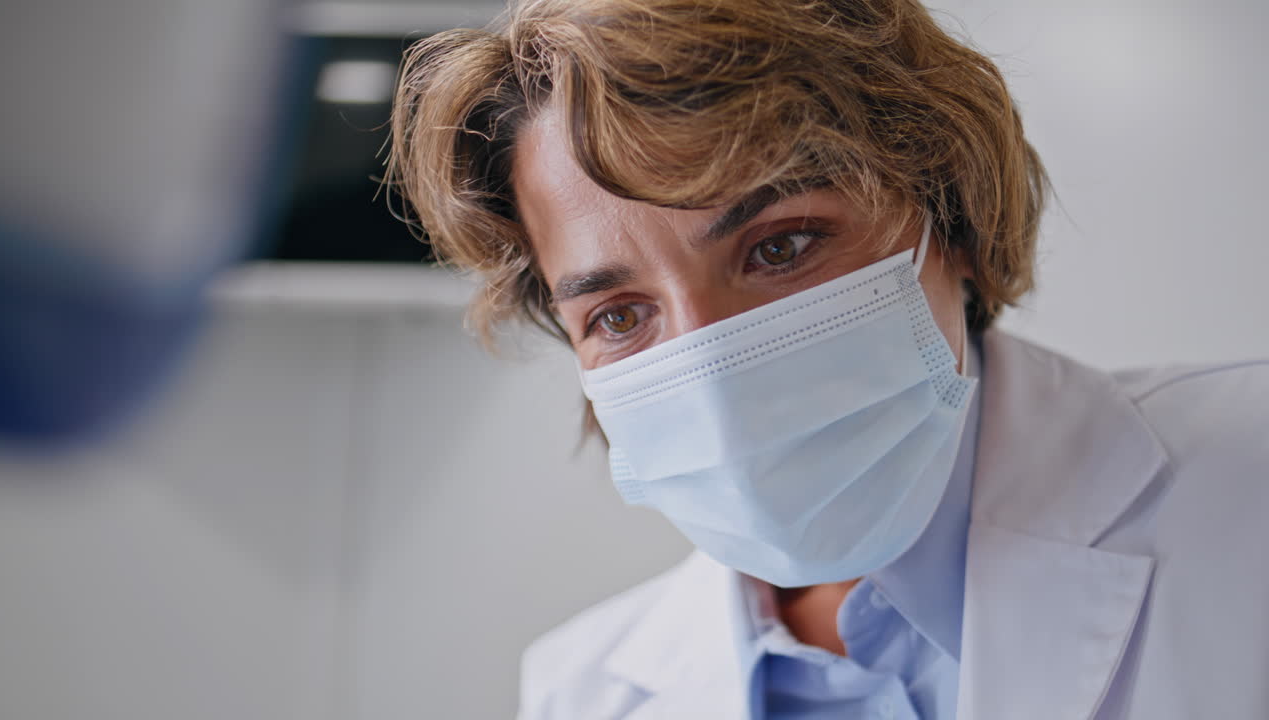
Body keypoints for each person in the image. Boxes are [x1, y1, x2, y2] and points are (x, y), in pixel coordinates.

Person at [386, 0, 1269, 717]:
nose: (715, 369)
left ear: (949, 217)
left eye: (781, 247)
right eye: (620, 314)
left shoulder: (1246, 491)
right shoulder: (581, 690)